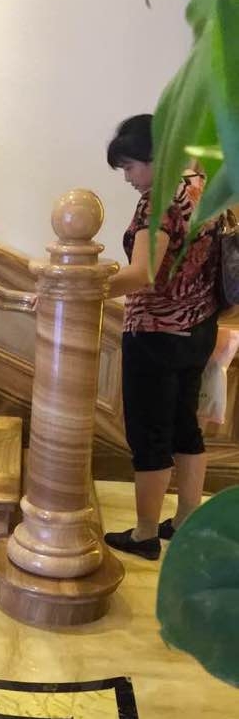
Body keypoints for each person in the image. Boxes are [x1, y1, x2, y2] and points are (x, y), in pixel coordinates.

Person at [103, 113, 221, 560]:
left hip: (155, 333)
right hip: (199, 328)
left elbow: (143, 273)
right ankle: (186, 520)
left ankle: (145, 533)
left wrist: (83, 287)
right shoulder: (201, 185)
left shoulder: (158, 201)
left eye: (131, 167)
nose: (129, 178)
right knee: (185, 426)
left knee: (149, 434)